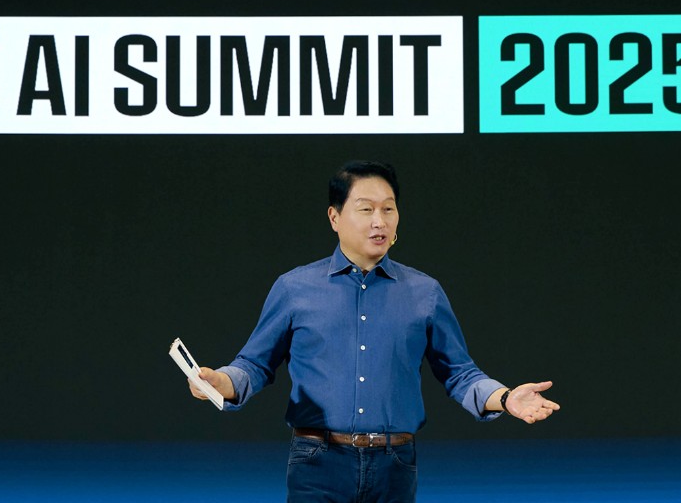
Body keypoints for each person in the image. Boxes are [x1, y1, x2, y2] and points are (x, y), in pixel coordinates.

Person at [188, 160, 559, 502]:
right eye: (366, 209)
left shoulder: (425, 292)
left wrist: (505, 397)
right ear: (334, 217)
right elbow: (254, 364)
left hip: (394, 465)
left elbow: (460, 373)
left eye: (388, 209)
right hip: (317, 462)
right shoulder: (294, 288)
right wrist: (220, 381)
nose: (379, 221)